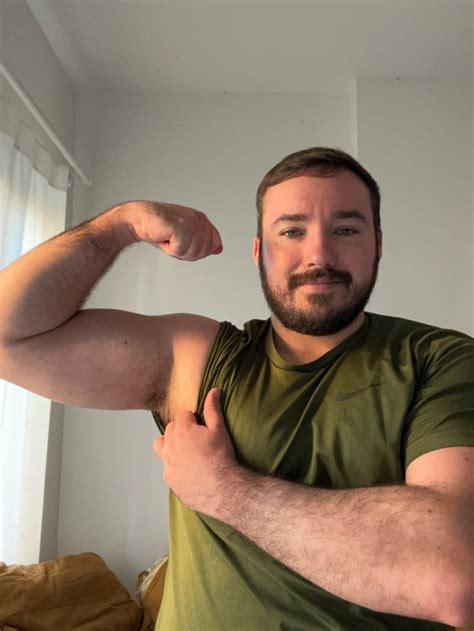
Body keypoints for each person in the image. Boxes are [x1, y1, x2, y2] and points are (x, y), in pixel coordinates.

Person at [0, 147, 472, 630]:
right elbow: (7, 339)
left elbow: (452, 577)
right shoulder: (197, 359)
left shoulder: (441, 360)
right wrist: (118, 226)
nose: (319, 255)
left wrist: (224, 491)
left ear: (378, 245)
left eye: (346, 230)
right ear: (258, 251)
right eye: (292, 231)